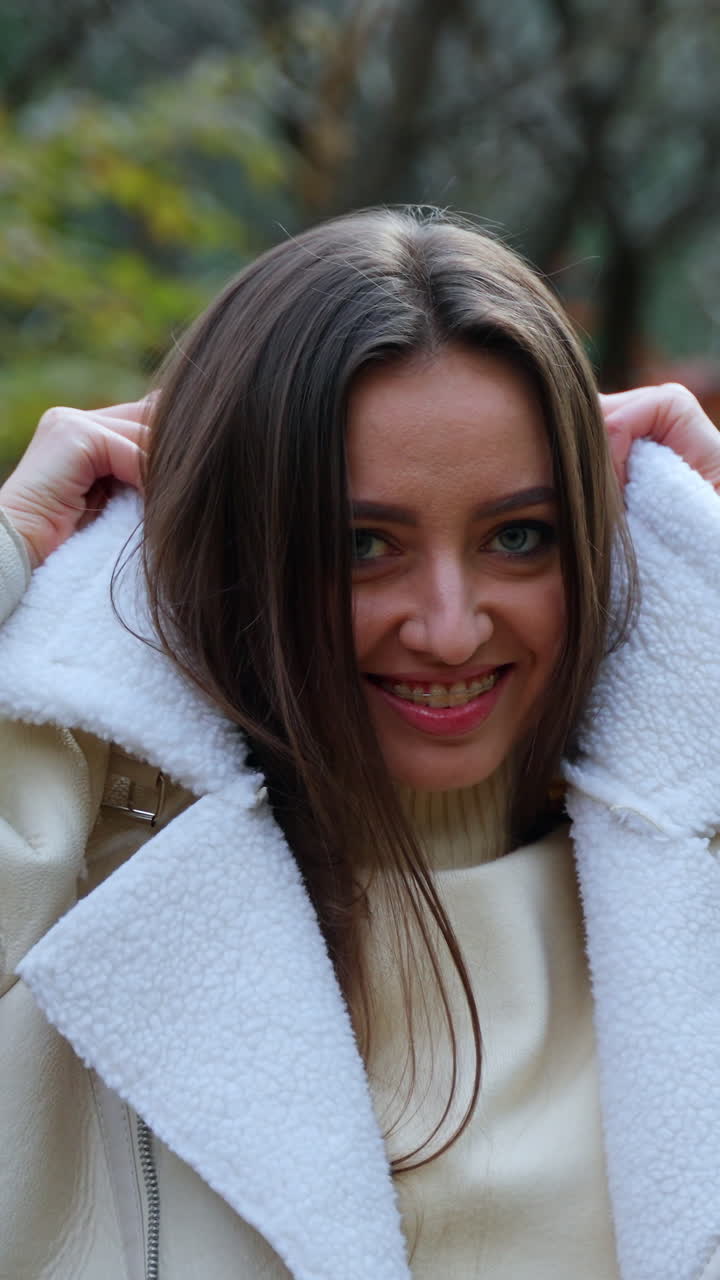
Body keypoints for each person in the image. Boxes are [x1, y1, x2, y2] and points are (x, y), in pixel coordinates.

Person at [1, 207, 720, 1280]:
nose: (448, 626)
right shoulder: (61, 863)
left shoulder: (686, 877)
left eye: (518, 535)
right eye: (361, 545)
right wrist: (13, 543)